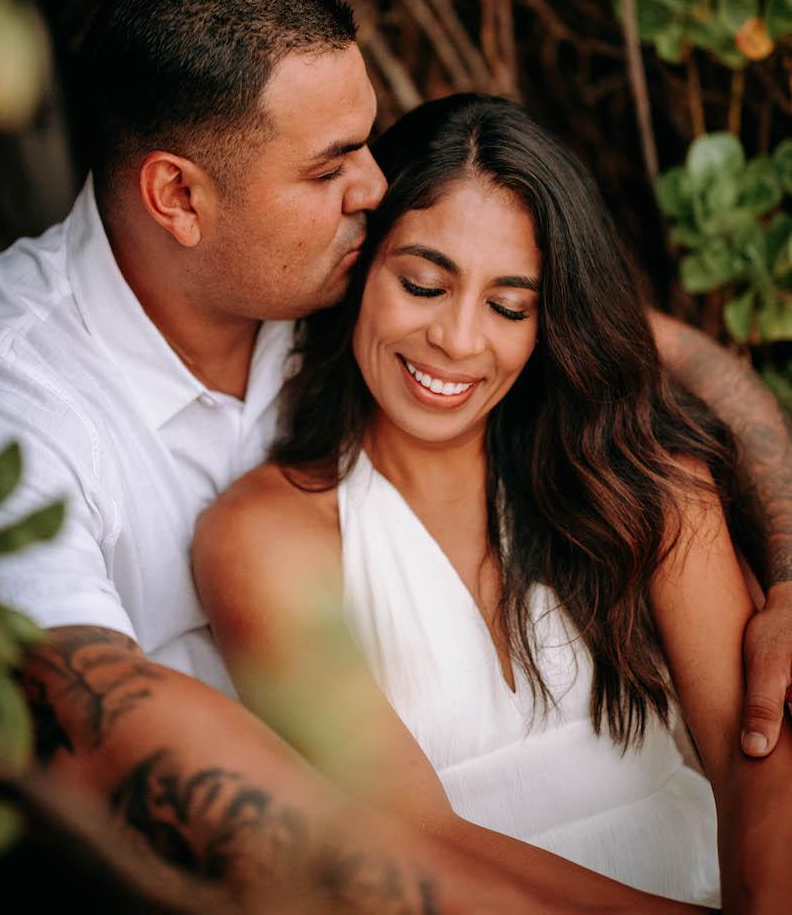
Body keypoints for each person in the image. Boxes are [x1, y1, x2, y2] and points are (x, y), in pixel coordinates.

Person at [0, 0, 788, 910]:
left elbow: (661, 355)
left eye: (369, 142)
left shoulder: (334, 275)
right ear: (179, 197)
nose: (376, 188)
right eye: (329, 165)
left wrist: (789, 579)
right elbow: (114, 733)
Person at [193, 93, 792, 913]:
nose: (459, 339)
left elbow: (748, 746)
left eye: (509, 306)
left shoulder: (635, 473)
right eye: (423, 284)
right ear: (358, 269)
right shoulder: (265, 537)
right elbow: (408, 836)